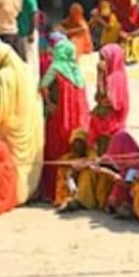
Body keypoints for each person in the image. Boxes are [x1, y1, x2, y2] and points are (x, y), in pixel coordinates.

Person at [0, 39, 45, 207]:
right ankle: (29, 191)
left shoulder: (2, 76)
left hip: (10, 125)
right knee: (27, 161)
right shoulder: (26, 69)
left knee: (13, 161)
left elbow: (1, 103)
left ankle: (15, 194)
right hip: (28, 122)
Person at [39, 38, 89, 205]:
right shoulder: (77, 72)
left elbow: (42, 85)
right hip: (76, 120)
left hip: (58, 118)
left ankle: (53, 190)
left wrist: (48, 103)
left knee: (55, 150)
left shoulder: (55, 68)